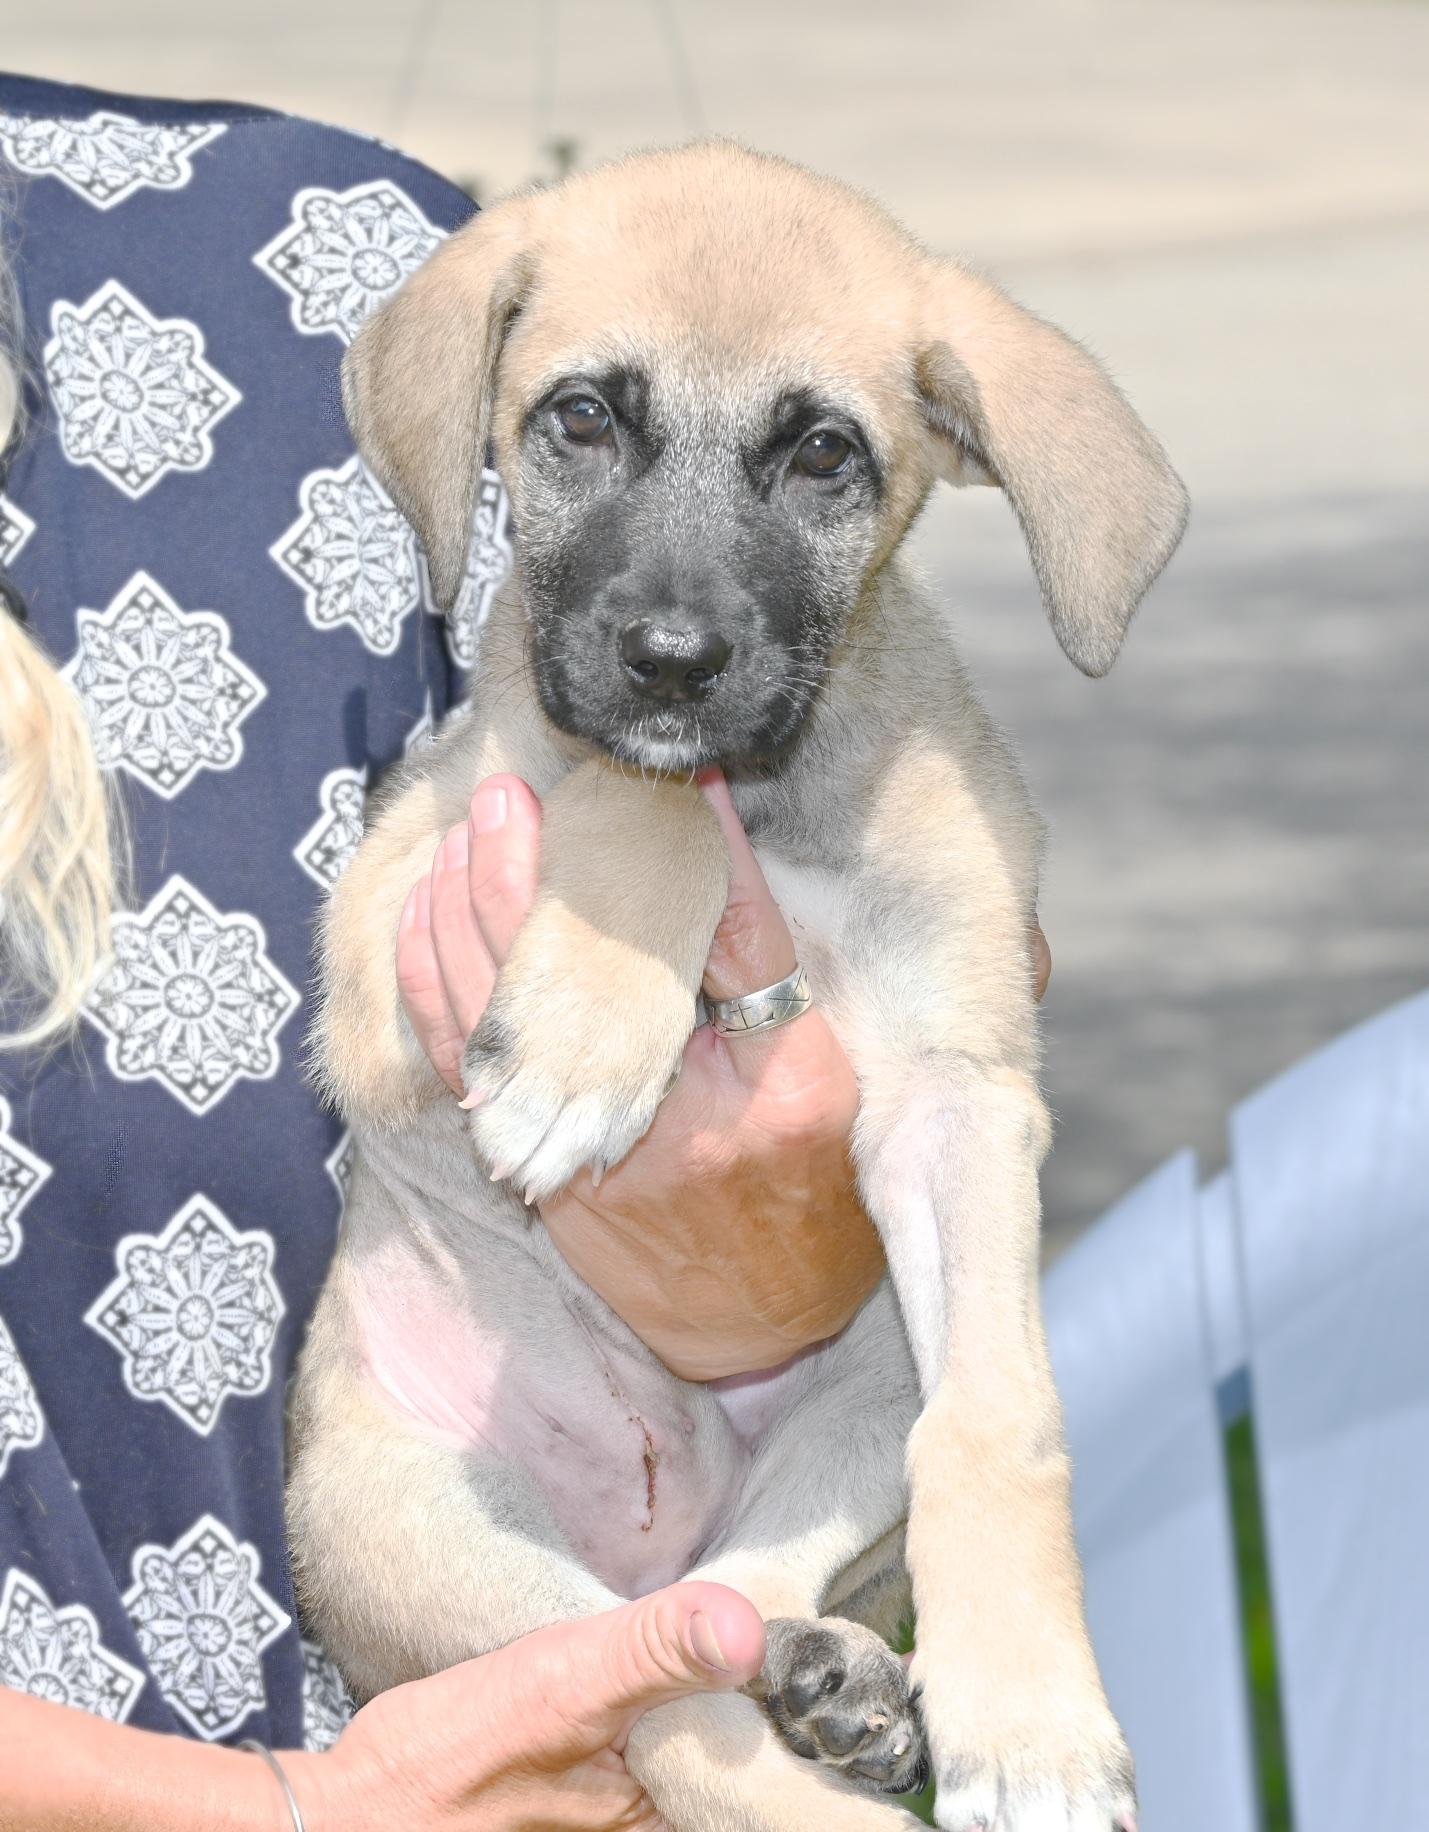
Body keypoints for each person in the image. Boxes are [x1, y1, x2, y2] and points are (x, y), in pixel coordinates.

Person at [0, 74, 1047, 1828]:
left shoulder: (312, 264)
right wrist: (279, 1813)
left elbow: (729, 778)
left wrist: (768, 1259)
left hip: (568, 1659)